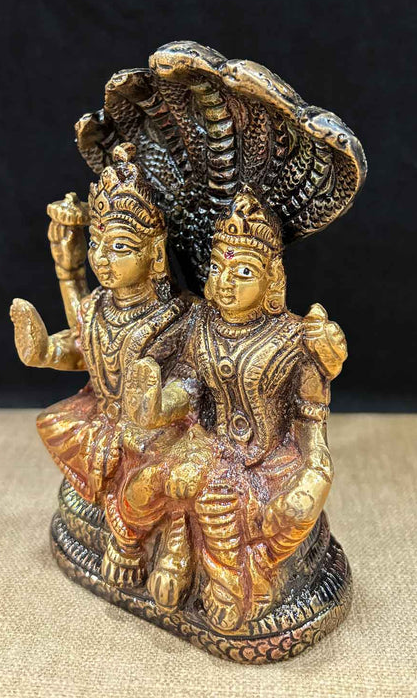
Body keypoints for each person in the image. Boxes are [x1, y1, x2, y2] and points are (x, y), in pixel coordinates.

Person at [116, 185, 348, 631]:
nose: (225, 281)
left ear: (272, 279)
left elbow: (310, 420)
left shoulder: (296, 338)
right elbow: (187, 387)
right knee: (149, 483)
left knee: (286, 508)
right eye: (218, 267)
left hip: (269, 460)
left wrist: (315, 471)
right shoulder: (199, 324)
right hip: (206, 447)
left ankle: (250, 569)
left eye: (242, 271)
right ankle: (171, 540)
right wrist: (156, 407)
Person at [10, 143, 191, 586]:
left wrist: (157, 408)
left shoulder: (175, 318)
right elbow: (85, 352)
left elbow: (191, 391)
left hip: (154, 433)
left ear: (155, 253)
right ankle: (122, 516)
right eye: (97, 244)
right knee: (54, 422)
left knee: (156, 469)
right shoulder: (97, 306)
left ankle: (157, 535)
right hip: (104, 421)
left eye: (120, 247)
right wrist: (45, 353)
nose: (103, 259)